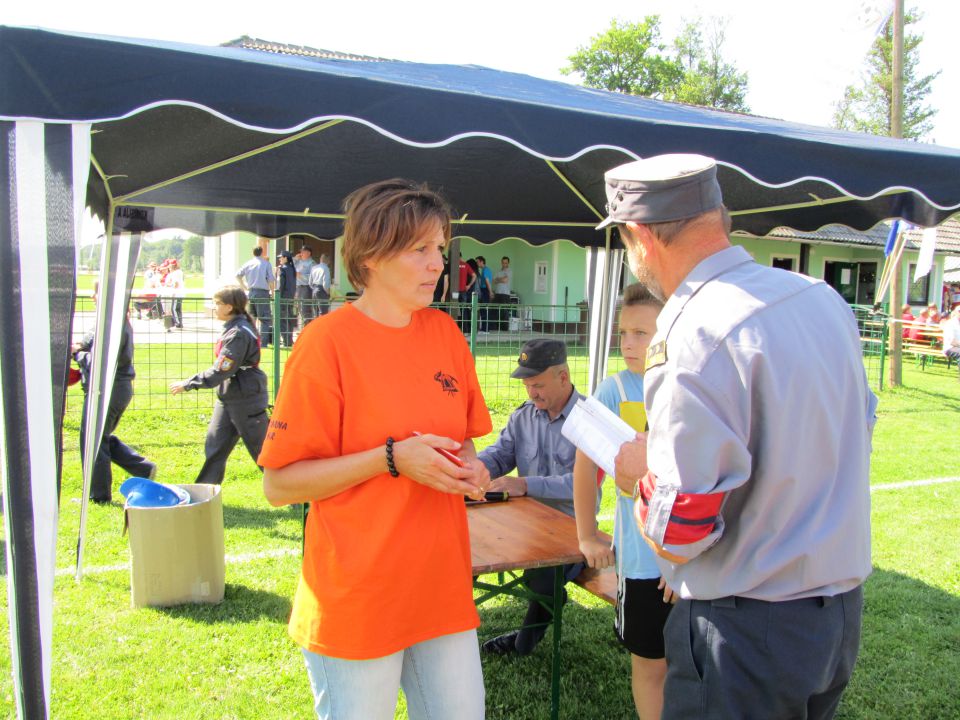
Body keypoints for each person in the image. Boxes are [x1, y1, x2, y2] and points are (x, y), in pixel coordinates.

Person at [598, 153, 877, 720]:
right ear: (720, 216)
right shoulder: (819, 298)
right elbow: (856, 429)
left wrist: (636, 476)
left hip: (748, 628)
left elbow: (679, 530)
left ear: (639, 237)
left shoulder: (692, 331)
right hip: (836, 615)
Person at [258, 179, 492, 720]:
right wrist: (390, 459)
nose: (439, 264)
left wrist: (471, 466)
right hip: (357, 596)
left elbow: (463, 439)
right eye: (421, 250)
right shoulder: (326, 344)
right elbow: (279, 484)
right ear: (371, 256)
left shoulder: (445, 333)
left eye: (440, 248)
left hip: (440, 587)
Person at [572, 283, 673, 720]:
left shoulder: (687, 387)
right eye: (623, 333)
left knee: (689, 664)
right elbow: (584, 464)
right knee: (649, 666)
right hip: (641, 565)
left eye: (641, 333)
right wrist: (586, 533)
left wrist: (683, 558)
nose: (628, 344)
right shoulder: (614, 390)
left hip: (687, 566)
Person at [477, 338, 590, 656]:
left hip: (571, 531)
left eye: (538, 384)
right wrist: (473, 468)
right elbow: (501, 454)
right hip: (523, 523)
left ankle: (523, 644)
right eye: (527, 385)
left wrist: (526, 484)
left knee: (543, 580)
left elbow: (582, 486)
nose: (531, 392)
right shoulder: (523, 416)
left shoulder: (588, 422)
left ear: (563, 377)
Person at [169, 285, 269, 485]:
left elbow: (222, 370)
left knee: (263, 452)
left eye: (217, 304)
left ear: (229, 307)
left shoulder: (238, 333)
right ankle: (205, 492)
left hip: (245, 398)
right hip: (230, 396)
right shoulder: (234, 328)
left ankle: (295, 494)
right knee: (215, 447)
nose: (214, 307)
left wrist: (188, 384)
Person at [72, 281, 156, 504]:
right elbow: (92, 345)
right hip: (113, 388)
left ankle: (98, 495)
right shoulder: (111, 320)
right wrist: (81, 346)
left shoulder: (111, 322)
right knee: (100, 436)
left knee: (93, 440)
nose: (92, 297)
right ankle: (143, 468)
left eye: (96, 293)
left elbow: (100, 361)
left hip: (108, 389)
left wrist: (77, 354)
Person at [235, 245, 274, 347]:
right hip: (262, 293)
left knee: (252, 318)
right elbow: (270, 280)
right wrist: (273, 292)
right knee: (265, 319)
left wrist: (244, 286)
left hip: (251, 292)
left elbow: (237, 275)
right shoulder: (266, 264)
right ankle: (263, 343)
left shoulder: (248, 264)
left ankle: (251, 342)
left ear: (253, 253)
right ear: (262, 252)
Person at [276, 250, 297, 347]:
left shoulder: (282, 269)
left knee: (283, 320)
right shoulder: (292, 269)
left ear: (285, 258)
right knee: (289, 319)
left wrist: (277, 295)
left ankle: (286, 341)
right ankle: (289, 340)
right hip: (291, 297)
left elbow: (280, 285)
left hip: (283, 297)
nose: (279, 259)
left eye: (281, 257)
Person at [294, 246, 316, 326]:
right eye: (301, 251)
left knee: (305, 309)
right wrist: (295, 258)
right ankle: (301, 326)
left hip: (306, 287)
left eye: (303, 252)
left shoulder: (312, 263)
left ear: (309, 253)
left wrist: (301, 276)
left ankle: (306, 326)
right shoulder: (298, 261)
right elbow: (289, 265)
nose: (301, 253)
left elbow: (312, 276)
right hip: (298, 287)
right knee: (299, 308)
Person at [308, 252, 332, 317]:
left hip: (314, 290)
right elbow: (325, 284)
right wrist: (328, 293)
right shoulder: (326, 269)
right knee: (323, 313)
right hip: (322, 291)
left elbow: (310, 282)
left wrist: (315, 289)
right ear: (328, 261)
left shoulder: (314, 268)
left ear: (320, 259)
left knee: (315, 313)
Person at [492, 255, 513, 331]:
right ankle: (496, 328)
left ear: (508, 263)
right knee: (496, 311)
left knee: (505, 312)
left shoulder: (509, 271)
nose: (504, 264)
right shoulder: (498, 271)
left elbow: (505, 280)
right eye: (503, 263)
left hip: (505, 294)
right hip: (497, 293)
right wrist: (500, 279)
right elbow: (493, 281)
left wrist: (498, 279)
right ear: (501, 263)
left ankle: (505, 329)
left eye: (506, 263)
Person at [475, 256, 494, 333]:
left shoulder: (485, 270)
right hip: (485, 290)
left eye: (477, 262)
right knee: (483, 309)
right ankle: (484, 328)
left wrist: (490, 291)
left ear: (482, 262)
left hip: (485, 290)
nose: (477, 263)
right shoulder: (485, 270)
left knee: (484, 309)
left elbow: (487, 281)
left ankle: (485, 329)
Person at [166, 258, 185, 329]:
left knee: (173, 309)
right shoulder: (180, 272)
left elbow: (176, 284)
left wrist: (169, 285)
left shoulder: (175, 273)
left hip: (177, 294)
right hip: (181, 293)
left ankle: (178, 323)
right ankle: (180, 322)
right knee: (178, 309)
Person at [943, 307, 960, 373]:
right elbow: (951, 341)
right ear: (955, 312)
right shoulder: (950, 323)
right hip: (950, 347)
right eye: (959, 311)